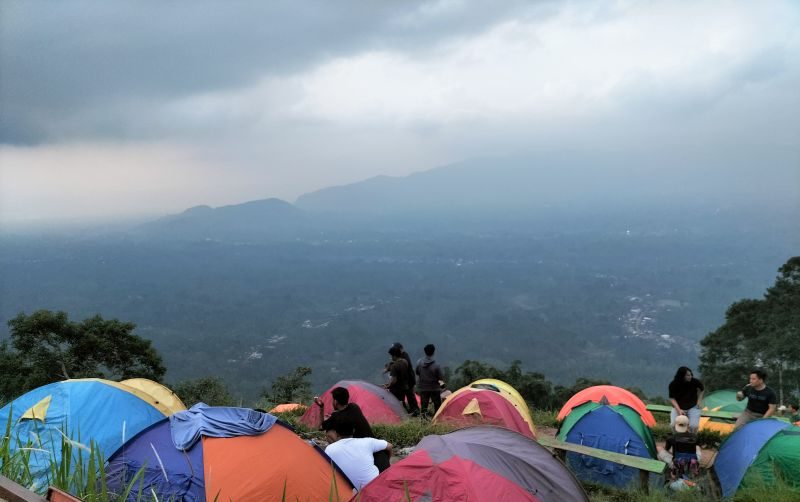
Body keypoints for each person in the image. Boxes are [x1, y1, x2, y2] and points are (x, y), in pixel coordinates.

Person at [314, 387, 389, 471]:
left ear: (335, 402)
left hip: (362, 455)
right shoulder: (354, 407)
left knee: (329, 433)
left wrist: (321, 407)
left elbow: (320, 427)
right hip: (379, 454)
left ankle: (341, 458)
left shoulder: (336, 417)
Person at [324, 422, 392, 492]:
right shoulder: (367, 441)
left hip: (349, 492)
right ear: (353, 431)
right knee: (380, 453)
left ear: (336, 433)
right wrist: (388, 459)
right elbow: (389, 446)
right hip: (374, 486)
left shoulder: (329, 449)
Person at [668, 366, 704, 433]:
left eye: (691, 374)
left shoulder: (695, 382)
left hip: (693, 407)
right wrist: (679, 410)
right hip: (678, 407)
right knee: (673, 425)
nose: (690, 376)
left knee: (693, 426)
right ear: (682, 376)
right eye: (688, 375)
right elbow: (672, 398)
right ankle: (677, 439)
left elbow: (702, 389)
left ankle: (692, 440)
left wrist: (699, 401)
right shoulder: (673, 384)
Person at [416, 343, 445, 417]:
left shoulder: (419, 362)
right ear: (433, 352)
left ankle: (423, 421)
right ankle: (437, 419)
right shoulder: (436, 365)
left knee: (424, 405)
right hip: (434, 388)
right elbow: (440, 378)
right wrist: (443, 386)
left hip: (423, 387)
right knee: (437, 405)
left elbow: (417, 372)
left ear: (425, 351)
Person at [391, 342, 420, 416]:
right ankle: (411, 411)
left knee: (410, 397)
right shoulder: (402, 356)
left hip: (408, 381)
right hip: (406, 381)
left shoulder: (403, 357)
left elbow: (402, 369)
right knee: (407, 397)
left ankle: (415, 411)